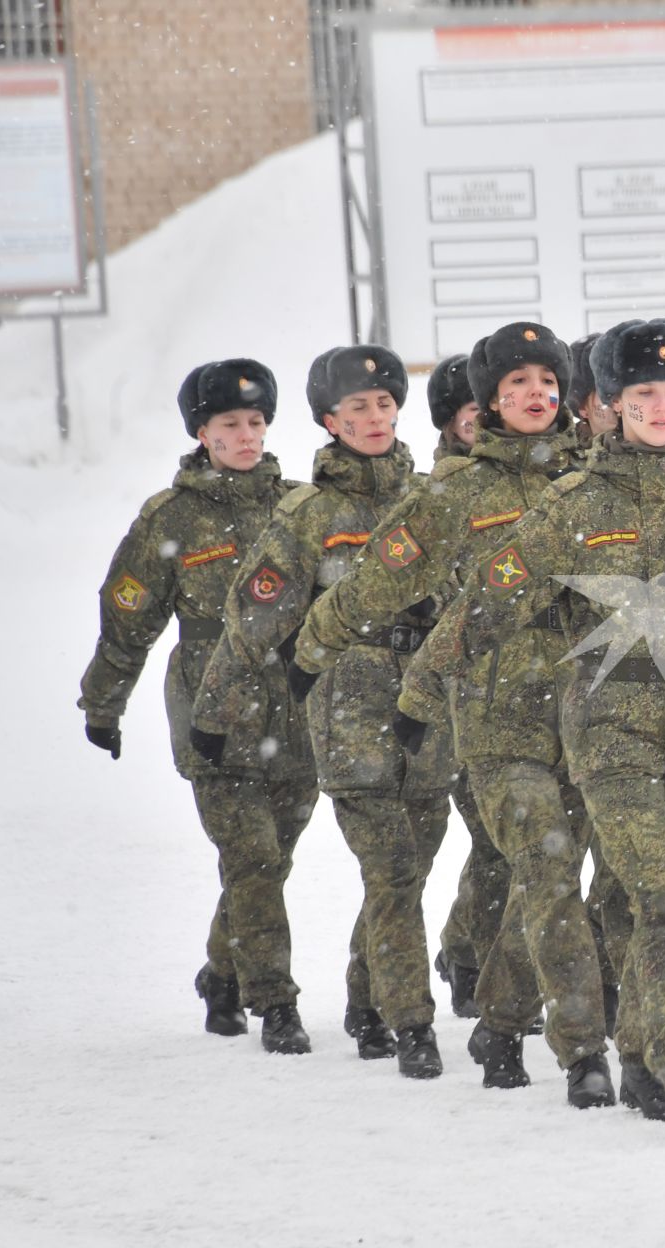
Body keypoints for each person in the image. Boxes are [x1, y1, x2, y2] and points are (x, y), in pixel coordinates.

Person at [428, 319, 665, 1136]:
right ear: (612, 403)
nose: (662, 407)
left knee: (653, 911)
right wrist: (421, 697)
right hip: (610, 734)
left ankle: (639, 1056)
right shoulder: (575, 504)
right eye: (644, 395)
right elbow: (489, 600)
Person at [298, 322, 613, 1109]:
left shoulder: (605, 480)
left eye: (547, 382)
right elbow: (375, 583)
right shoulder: (456, 496)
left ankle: (502, 1022)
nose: (535, 396)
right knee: (544, 868)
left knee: (547, 880)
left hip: (593, 712)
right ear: (489, 401)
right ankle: (584, 1053)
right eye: (516, 386)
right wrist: (311, 648)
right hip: (499, 716)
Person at [191, 345, 456, 1079]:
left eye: (383, 404)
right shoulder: (308, 515)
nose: (373, 418)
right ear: (327, 422)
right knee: (393, 868)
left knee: (415, 866)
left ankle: (368, 996)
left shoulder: (435, 497)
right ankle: (412, 1023)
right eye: (355, 408)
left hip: (429, 715)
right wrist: (212, 713)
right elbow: (254, 620)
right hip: (349, 713)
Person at [78, 359, 317, 1052]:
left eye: (255, 423)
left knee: (269, 863)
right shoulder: (171, 519)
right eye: (229, 425)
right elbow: (127, 617)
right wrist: (104, 703)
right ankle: (274, 1002)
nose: (245, 436)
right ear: (201, 433)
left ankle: (221, 973)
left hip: (297, 714)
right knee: (250, 860)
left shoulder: (299, 507)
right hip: (213, 716)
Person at [421, 352, 509, 1018]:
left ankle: (466, 944)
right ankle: (475, 956)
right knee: (495, 840)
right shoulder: (443, 495)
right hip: (450, 691)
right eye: (471, 416)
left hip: (515, 692)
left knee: (499, 843)